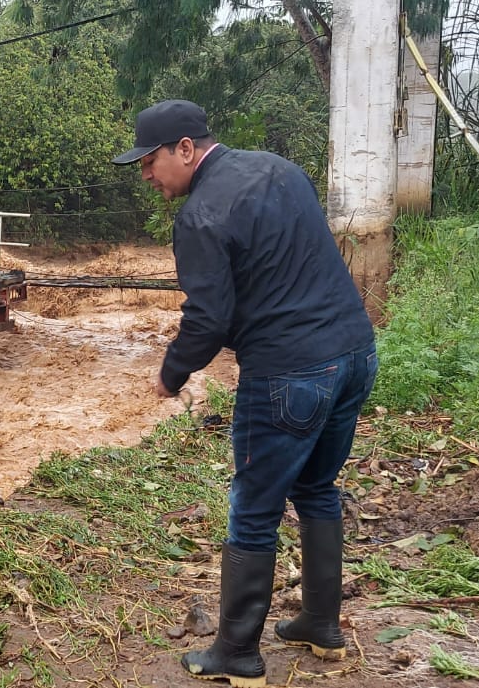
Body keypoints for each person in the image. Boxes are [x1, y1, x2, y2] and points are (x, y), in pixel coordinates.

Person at [113, 99, 377, 688]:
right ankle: (320, 624)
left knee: (254, 510)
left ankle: (236, 654)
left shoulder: (201, 216)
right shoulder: (280, 168)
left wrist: (171, 373)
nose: (147, 176)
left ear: (186, 148)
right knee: (316, 486)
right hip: (356, 353)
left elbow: (208, 319)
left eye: (150, 162)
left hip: (291, 372)